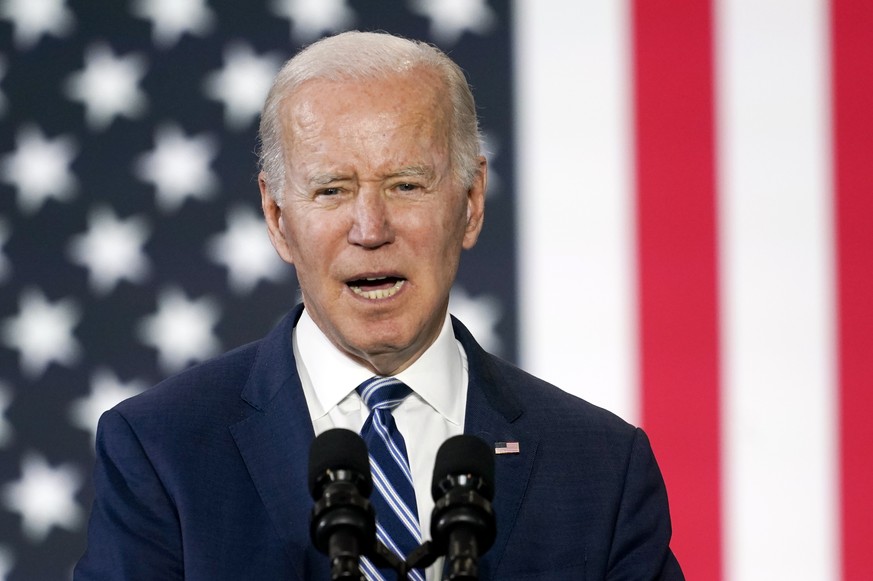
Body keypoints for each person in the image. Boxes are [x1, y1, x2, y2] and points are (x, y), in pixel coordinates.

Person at [74, 31, 683, 580]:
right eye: (332, 190)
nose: (370, 228)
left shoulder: (600, 468)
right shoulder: (163, 450)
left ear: (471, 202)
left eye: (406, 185)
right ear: (278, 219)